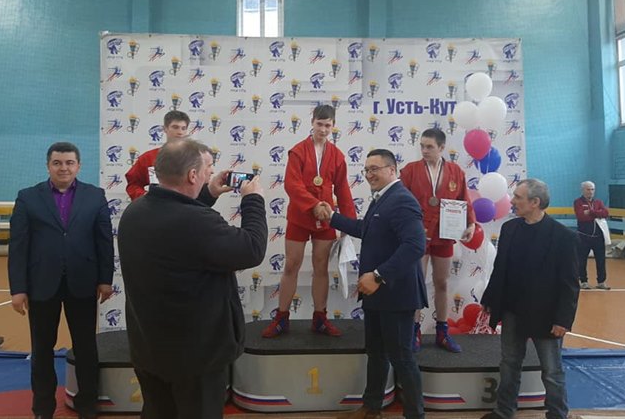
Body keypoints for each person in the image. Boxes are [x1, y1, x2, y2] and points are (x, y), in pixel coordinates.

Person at [117, 140, 268, 419]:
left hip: (149, 350)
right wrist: (253, 200)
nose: (211, 172)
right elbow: (252, 249)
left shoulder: (134, 213)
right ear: (192, 175)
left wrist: (208, 192)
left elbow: (177, 222)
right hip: (196, 358)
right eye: (208, 168)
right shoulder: (198, 222)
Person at [8, 142, 114, 419]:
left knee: (86, 347)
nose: (63, 168)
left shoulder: (95, 196)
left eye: (69, 162)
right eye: (57, 163)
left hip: (84, 282)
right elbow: (18, 246)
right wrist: (18, 288)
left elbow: (104, 241)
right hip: (41, 285)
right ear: (48, 166)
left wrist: (105, 279)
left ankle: (87, 405)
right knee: (42, 349)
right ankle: (42, 408)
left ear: (78, 166)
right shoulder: (27, 197)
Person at [319, 149, 427, 419]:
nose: (369, 175)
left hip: (396, 295)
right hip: (377, 295)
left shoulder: (402, 200)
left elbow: (415, 245)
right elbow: (365, 229)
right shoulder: (382, 199)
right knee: (377, 353)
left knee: (402, 358)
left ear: (392, 170)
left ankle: (415, 415)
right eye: (366, 170)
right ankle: (371, 408)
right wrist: (332, 217)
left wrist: (378, 275)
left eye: (375, 169)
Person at [480, 179, 580, 419]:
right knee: (509, 363)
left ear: (535, 202)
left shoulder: (563, 237)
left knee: (552, 371)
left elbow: (569, 284)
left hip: (546, 316)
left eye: (518, 197)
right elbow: (500, 268)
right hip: (512, 311)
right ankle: (504, 411)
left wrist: (563, 320)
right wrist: (490, 298)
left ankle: (557, 414)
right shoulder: (509, 229)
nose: (512, 201)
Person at [262, 104, 356, 338]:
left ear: (334, 126)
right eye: (319, 124)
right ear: (312, 122)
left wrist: (348, 222)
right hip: (300, 215)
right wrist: (313, 205)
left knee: (321, 267)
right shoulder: (298, 151)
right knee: (291, 265)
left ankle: (320, 318)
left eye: (328, 125)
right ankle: (282, 317)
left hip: (326, 217)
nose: (323, 129)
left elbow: (343, 189)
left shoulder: (337, 156)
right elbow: (291, 184)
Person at [400, 127, 475, 353]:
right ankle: (414, 331)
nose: (424, 150)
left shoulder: (455, 172)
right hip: (418, 235)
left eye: (429, 147)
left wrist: (471, 223)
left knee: (442, 283)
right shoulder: (410, 170)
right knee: (416, 283)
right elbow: (400, 201)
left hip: (444, 233)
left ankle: (442, 331)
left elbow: (464, 200)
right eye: (422, 146)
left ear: (441, 148)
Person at [125, 110, 190, 200]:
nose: (180, 132)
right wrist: (145, 197)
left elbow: (204, 185)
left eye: (184, 128)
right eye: (175, 127)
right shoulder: (148, 157)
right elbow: (133, 184)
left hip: (187, 206)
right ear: (165, 129)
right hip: (157, 206)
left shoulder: (195, 158)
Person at [573, 181, 610, 290]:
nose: (590, 191)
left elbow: (605, 213)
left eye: (592, 189)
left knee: (601, 260)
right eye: (588, 189)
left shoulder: (598, 202)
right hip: (583, 237)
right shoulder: (578, 202)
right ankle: (583, 281)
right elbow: (581, 216)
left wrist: (591, 212)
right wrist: (597, 213)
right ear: (583, 190)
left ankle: (601, 282)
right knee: (582, 260)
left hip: (598, 237)